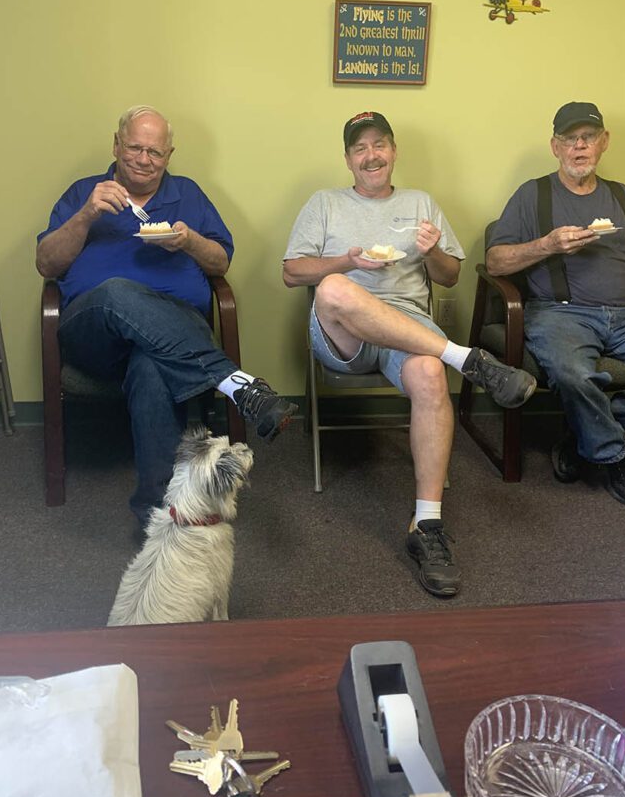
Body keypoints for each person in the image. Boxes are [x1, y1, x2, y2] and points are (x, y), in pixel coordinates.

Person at [282, 111, 536, 598]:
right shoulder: (325, 203)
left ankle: (427, 525)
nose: (371, 155)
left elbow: (448, 277)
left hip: (409, 327)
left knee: (428, 375)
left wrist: (433, 251)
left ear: (393, 151)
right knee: (334, 287)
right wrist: (346, 261)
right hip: (345, 332)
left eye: (379, 145)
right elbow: (293, 273)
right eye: (360, 149)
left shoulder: (421, 203)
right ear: (347, 159)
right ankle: (468, 358)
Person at [36, 105, 296, 524]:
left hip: (173, 331)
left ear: (169, 155)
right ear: (116, 145)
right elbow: (47, 265)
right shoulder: (85, 191)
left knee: (152, 366)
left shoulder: (188, 195)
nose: (143, 159)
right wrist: (86, 214)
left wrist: (190, 241)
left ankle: (157, 512)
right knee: (117, 292)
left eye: (154, 152)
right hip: (95, 328)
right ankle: (236, 383)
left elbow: (219, 263)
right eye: (135, 148)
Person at [486, 100, 625, 507]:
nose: (579, 147)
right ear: (555, 146)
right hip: (559, 313)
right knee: (573, 375)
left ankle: (590, 434)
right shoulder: (534, 194)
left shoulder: (621, 196)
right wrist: (547, 245)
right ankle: (616, 455)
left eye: (588, 138)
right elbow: (496, 260)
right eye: (569, 139)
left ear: (604, 143)